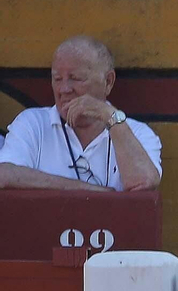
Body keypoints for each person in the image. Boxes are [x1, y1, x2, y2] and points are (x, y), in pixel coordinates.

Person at [0, 36, 162, 192]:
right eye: (57, 79)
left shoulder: (137, 133)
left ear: (108, 82)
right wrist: (90, 191)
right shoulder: (33, 123)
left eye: (76, 78)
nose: (64, 89)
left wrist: (110, 117)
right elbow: (6, 174)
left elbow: (143, 182)